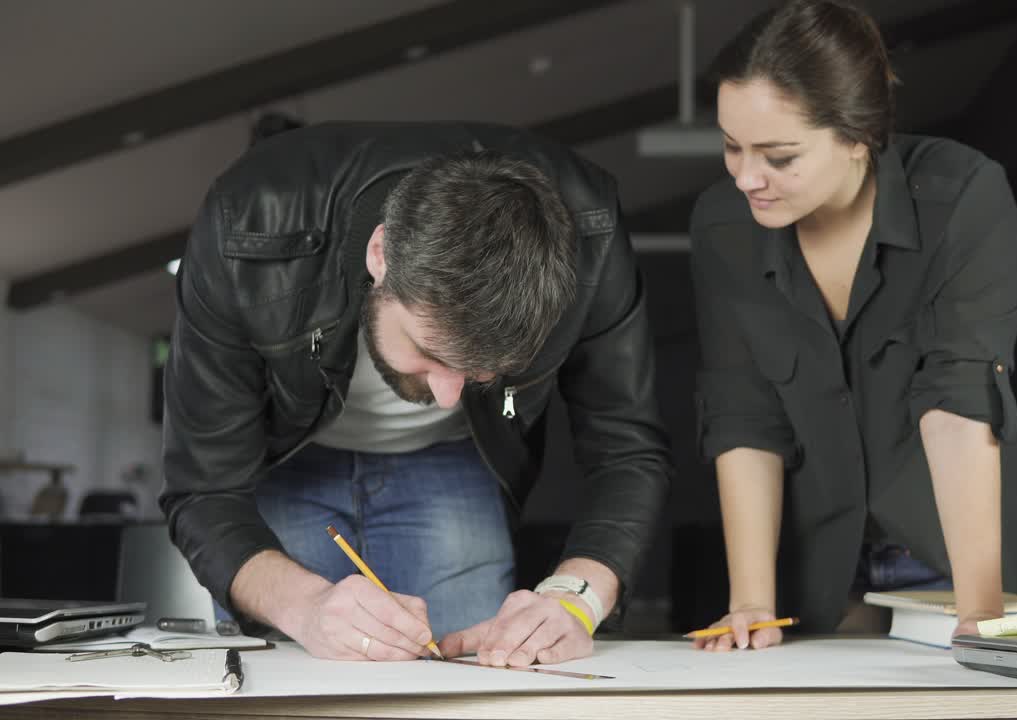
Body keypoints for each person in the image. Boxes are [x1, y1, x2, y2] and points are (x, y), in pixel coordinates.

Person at [160, 122, 671, 665]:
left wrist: (576, 598)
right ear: (381, 254)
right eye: (431, 352)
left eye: (480, 374)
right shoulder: (246, 220)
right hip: (287, 468)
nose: (451, 397)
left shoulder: (588, 231)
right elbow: (203, 490)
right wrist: (305, 606)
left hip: (454, 466)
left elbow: (628, 450)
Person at [688, 0, 1017, 651]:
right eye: (731, 145)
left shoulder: (960, 196)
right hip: (815, 569)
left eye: (779, 155)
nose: (747, 177)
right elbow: (742, 414)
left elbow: (958, 401)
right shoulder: (722, 227)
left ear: (859, 137)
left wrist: (982, 613)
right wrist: (750, 603)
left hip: (957, 554)